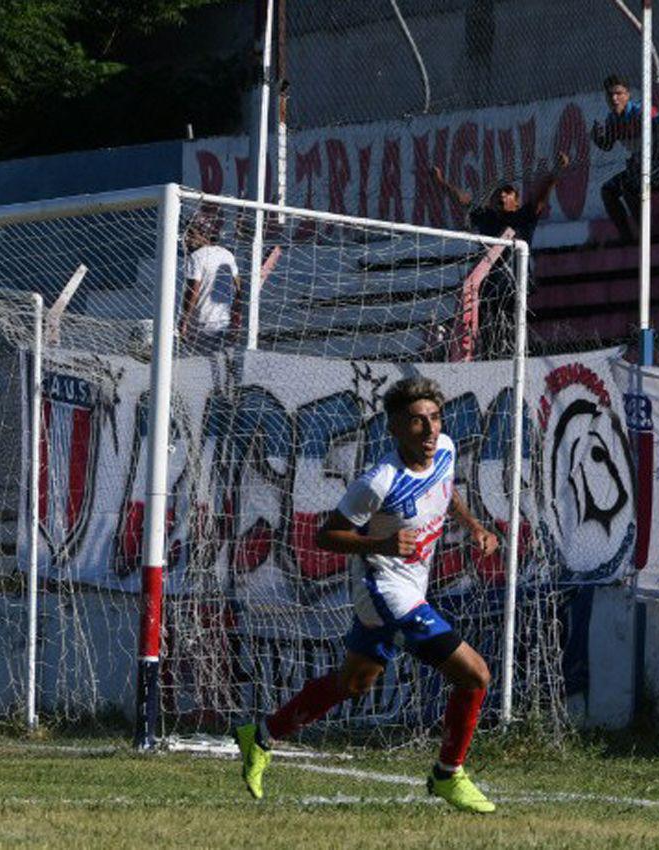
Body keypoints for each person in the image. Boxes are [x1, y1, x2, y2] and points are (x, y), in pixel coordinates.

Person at [233, 377, 501, 813]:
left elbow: (446, 491)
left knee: (354, 682)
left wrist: (474, 527)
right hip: (385, 592)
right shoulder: (378, 481)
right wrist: (379, 544)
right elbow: (327, 535)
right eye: (417, 422)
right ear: (395, 428)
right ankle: (447, 774)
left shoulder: (446, 449)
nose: (429, 430)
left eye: (434, 418)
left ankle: (260, 736)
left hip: (412, 584)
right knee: (474, 675)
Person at [430, 151, 568, 357]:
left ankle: (518, 360)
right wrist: (441, 182)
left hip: (515, 288)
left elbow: (542, 194)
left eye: (508, 191)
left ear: (517, 201)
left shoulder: (524, 217)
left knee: (514, 335)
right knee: (488, 337)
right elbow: (462, 200)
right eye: (498, 193)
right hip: (488, 288)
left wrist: (557, 170)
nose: (502, 194)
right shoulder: (486, 218)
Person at [592, 74, 659, 245]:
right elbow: (608, 145)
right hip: (638, 168)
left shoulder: (643, 111)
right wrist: (597, 138)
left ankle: (646, 235)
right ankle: (626, 237)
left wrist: (645, 157)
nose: (614, 99)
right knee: (607, 190)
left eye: (618, 94)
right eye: (610, 95)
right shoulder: (612, 119)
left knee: (629, 185)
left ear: (627, 95)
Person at [181, 211, 242, 354]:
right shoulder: (227, 254)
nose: (187, 239)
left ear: (204, 235)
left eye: (191, 234)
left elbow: (193, 291)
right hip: (223, 323)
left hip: (202, 324)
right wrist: (236, 318)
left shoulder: (196, 257)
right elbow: (239, 289)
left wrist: (184, 320)